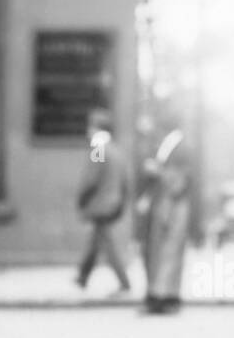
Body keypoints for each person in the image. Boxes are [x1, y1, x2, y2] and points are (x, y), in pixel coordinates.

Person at [74, 108, 130, 293]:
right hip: (113, 202)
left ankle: (124, 282)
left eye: (91, 126)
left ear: (97, 128)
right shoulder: (115, 149)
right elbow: (125, 181)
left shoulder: (98, 147)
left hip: (101, 203)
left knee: (106, 242)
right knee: (97, 239)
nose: (88, 130)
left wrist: (81, 197)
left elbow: (92, 178)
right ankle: (83, 275)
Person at [142, 128, 192, 314]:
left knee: (164, 251)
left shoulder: (98, 146)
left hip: (99, 203)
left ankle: (160, 294)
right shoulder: (170, 144)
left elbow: (96, 166)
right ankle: (162, 294)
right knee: (160, 252)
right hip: (163, 204)